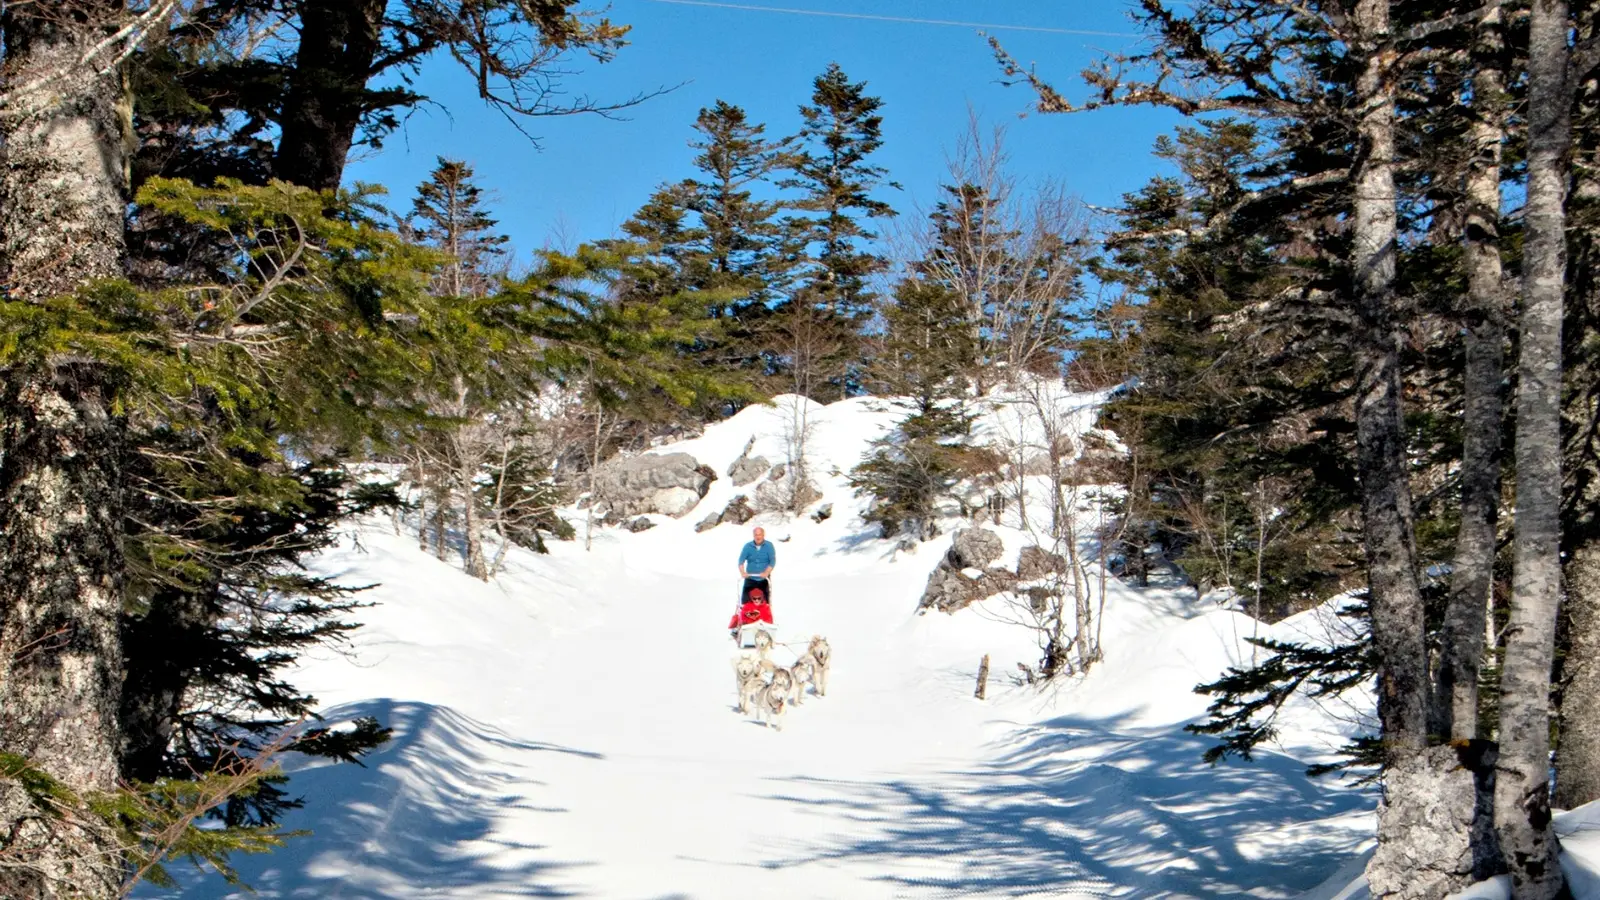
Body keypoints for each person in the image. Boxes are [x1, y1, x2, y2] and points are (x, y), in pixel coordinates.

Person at [737, 526, 775, 608]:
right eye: (756, 535)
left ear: (763, 535)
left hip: (764, 578)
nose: (758, 537)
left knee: (765, 601)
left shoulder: (769, 546)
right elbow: (741, 561)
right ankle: (745, 615)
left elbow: (772, 561)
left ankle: (765, 616)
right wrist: (743, 572)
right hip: (750, 577)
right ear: (753, 536)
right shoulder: (747, 546)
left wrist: (766, 572)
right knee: (746, 600)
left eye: (760, 535)